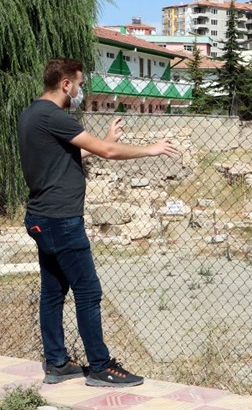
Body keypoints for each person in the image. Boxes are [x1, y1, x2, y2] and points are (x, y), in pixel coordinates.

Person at [18, 57, 180, 387]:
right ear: (65, 84)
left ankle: (57, 362)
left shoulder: (31, 115)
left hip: (39, 218)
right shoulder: (54, 116)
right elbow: (109, 152)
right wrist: (150, 149)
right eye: (78, 84)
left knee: (53, 292)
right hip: (61, 220)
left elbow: (65, 160)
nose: (80, 90)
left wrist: (105, 137)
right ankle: (101, 366)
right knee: (88, 292)